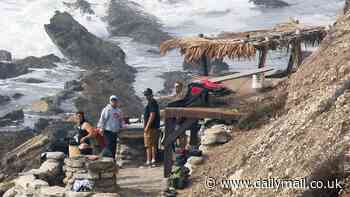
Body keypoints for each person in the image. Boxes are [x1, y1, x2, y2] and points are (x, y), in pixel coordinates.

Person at [143, 88, 161, 167]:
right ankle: (152, 160)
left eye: (147, 95)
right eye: (145, 95)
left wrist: (147, 126)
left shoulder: (152, 103)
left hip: (151, 128)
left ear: (151, 94)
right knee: (152, 144)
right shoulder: (153, 102)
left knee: (149, 144)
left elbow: (152, 115)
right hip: (154, 127)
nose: (146, 96)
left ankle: (150, 161)